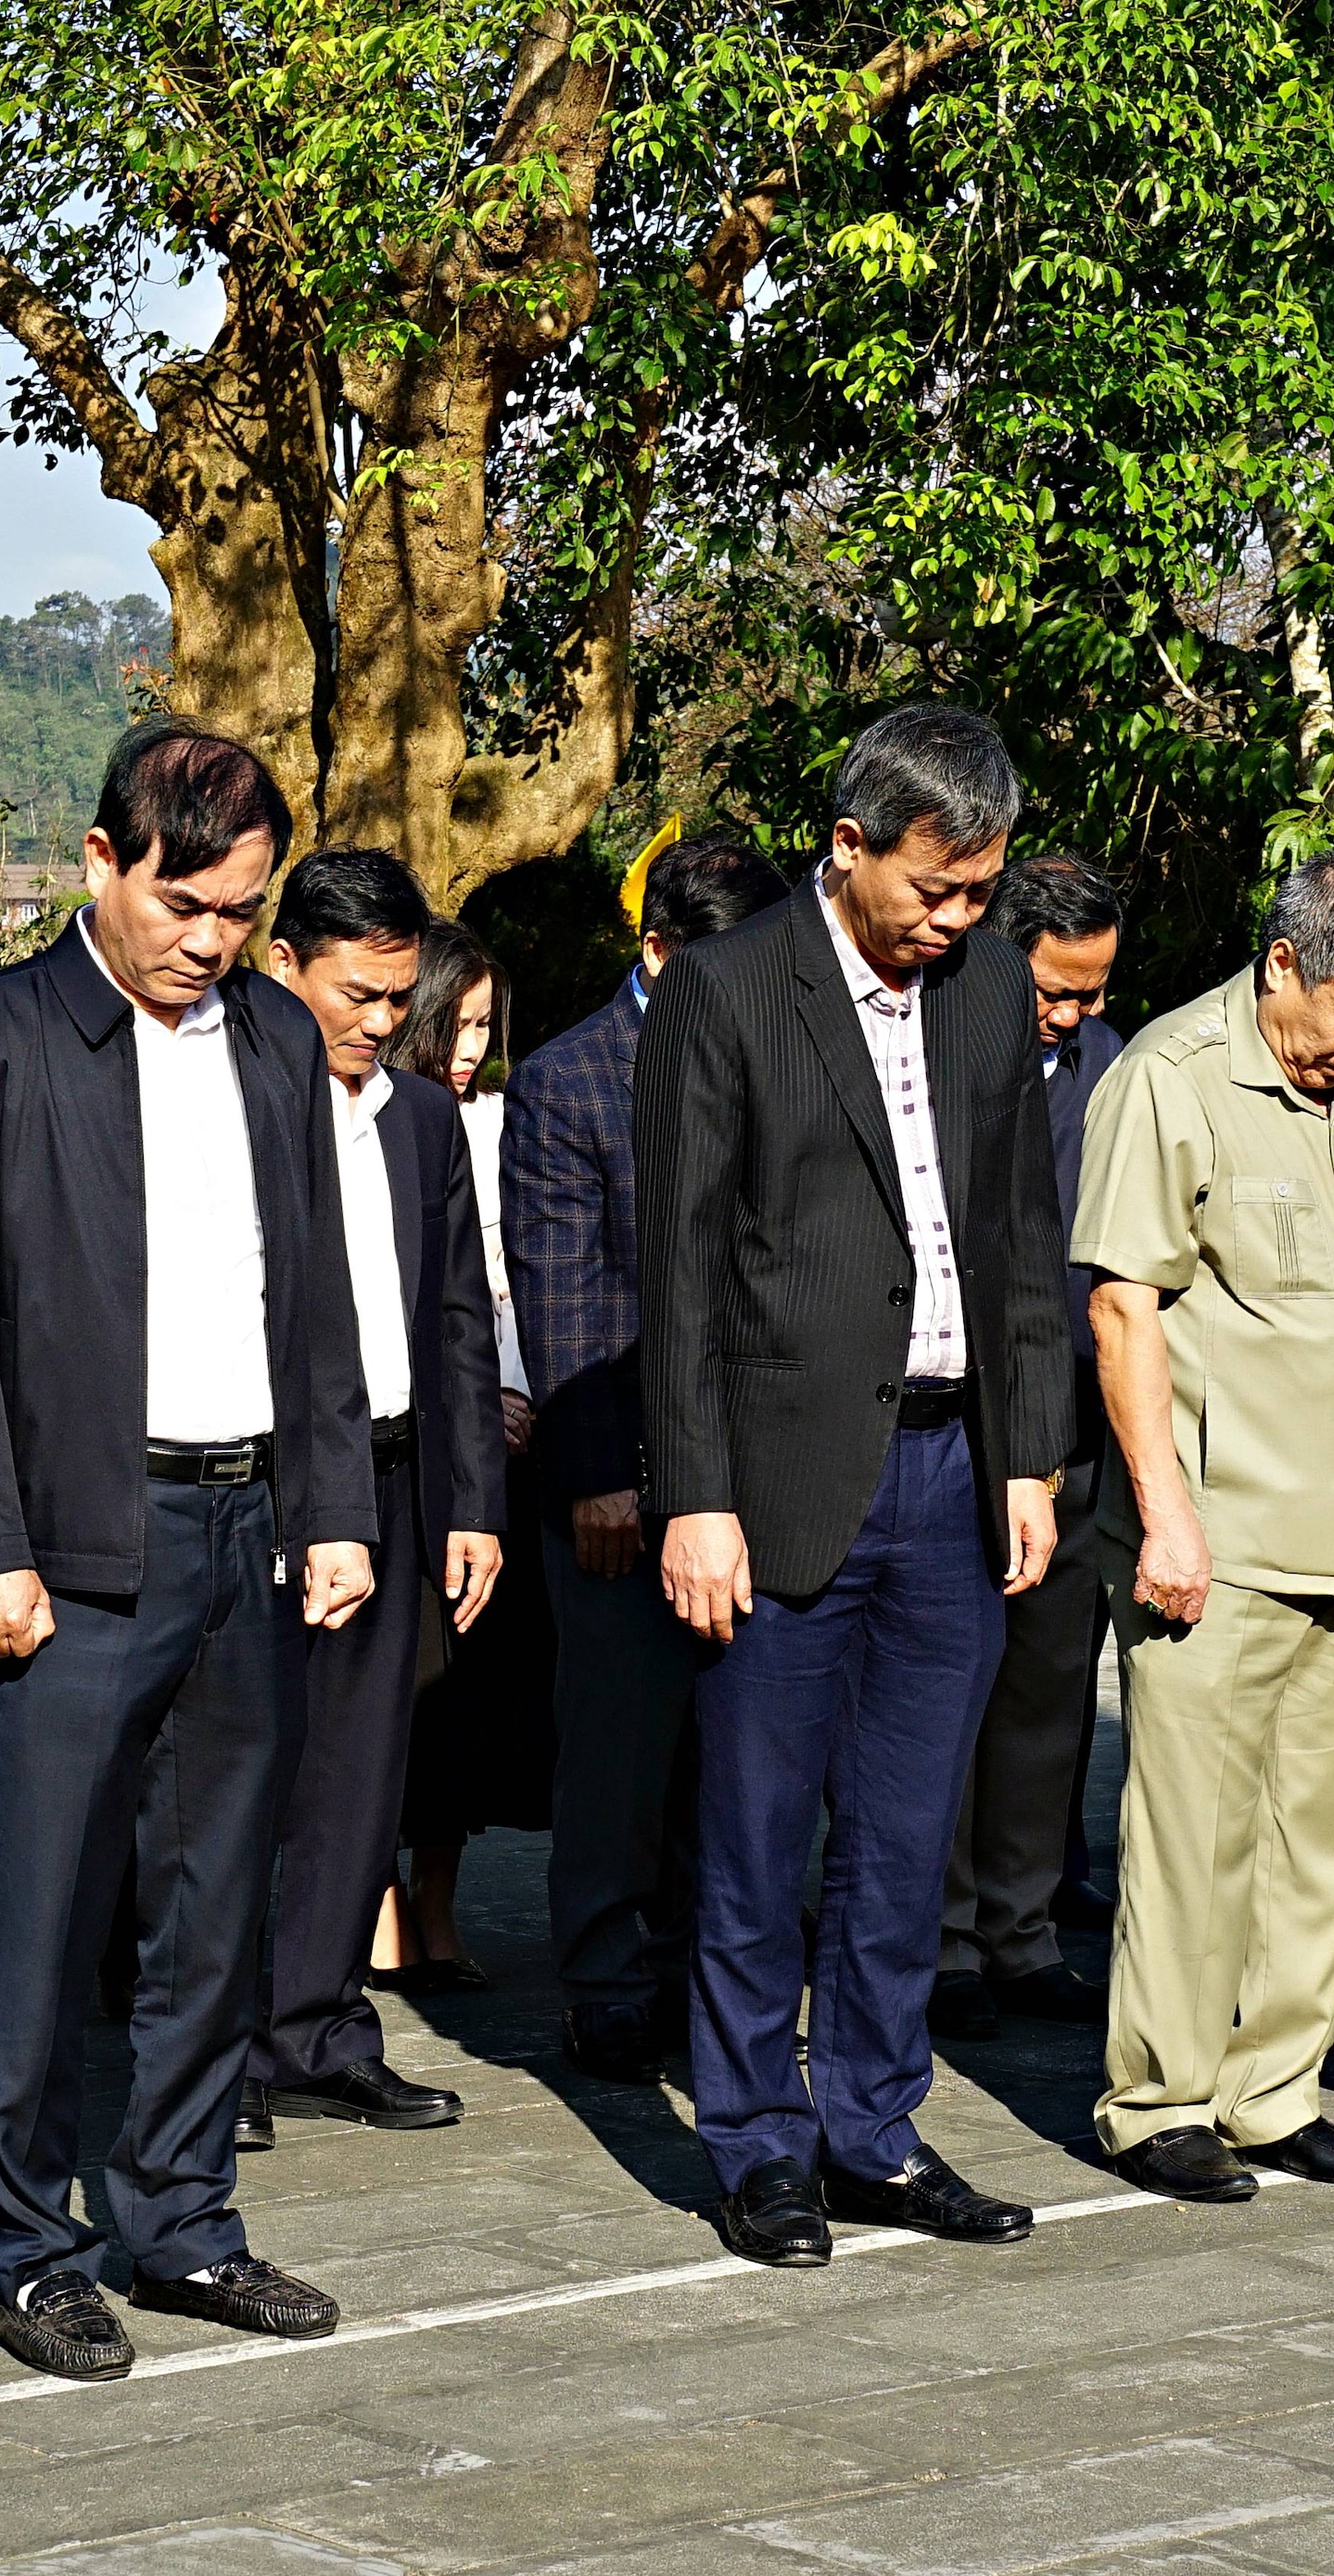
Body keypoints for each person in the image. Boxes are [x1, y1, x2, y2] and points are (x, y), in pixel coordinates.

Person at [0, 716, 375, 2384]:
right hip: (80, 1540)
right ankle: (30, 2241)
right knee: (43, 1903)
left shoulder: (275, 1043)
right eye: (185, 904)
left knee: (216, 1898)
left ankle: (181, 2215)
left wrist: (334, 1513)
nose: (210, 941)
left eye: (240, 912)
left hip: (251, 1522)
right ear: (103, 862)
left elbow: (315, 1298)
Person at [639, 704, 1074, 2270]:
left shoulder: (984, 997)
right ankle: (757, 2138)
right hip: (780, 1485)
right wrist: (693, 1494)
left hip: (957, 1474)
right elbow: (678, 1268)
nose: (955, 921)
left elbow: (1025, 1239)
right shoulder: (730, 994)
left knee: (904, 1837)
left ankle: (876, 2125)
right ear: (850, 844)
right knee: (760, 1836)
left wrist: (1032, 1455)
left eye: (980, 893)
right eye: (934, 890)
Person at [1077, 847, 1334, 2202]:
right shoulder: (1171, 1080)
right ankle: (1162, 2100)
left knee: (1319, 1838)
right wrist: (1165, 1517)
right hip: (1216, 1538)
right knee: (1195, 1836)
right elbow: (1123, 1308)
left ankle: (1275, 2091)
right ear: (1284, 960)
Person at [507, 835, 791, 2085]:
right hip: (623, 1475)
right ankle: (608, 1982)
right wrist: (600, 1479)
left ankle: (707, 1976)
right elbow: (563, 1296)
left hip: (766, 1475)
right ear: (660, 947)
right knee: (620, 1759)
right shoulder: (571, 1080)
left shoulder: (780, 1062)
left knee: (735, 1764)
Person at [246, 849, 504, 2143]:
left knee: (362, 1773)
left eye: (398, 996)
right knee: (243, 1778)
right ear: (280, 964)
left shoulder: (418, 1120)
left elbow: (458, 1317)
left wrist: (471, 1500)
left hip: (401, 1480)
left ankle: (321, 2024)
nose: (378, 1019)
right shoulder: (227, 1112)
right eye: (353, 991)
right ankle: (218, 2046)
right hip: (266, 1485)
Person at [933, 848, 1130, 2041]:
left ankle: (1018, 1929)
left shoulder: (1117, 1069)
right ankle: (938, 1937)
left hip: (1079, 1423)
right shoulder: (943, 1040)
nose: (1069, 1013)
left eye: (1093, 991)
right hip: (962, 1418)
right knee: (946, 1689)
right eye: (1052, 989)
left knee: (1047, 1694)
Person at [386, 922, 551, 1986]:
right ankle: (371, 1912)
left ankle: (438, 1912)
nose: (467, 1045)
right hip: (404, 1445)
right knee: (392, 1693)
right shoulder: (371, 1119)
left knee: (468, 1701)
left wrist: (519, 1393)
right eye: (456, 1020)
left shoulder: (499, 1123)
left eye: (486, 1026)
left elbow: (526, 1277)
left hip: (503, 1453)